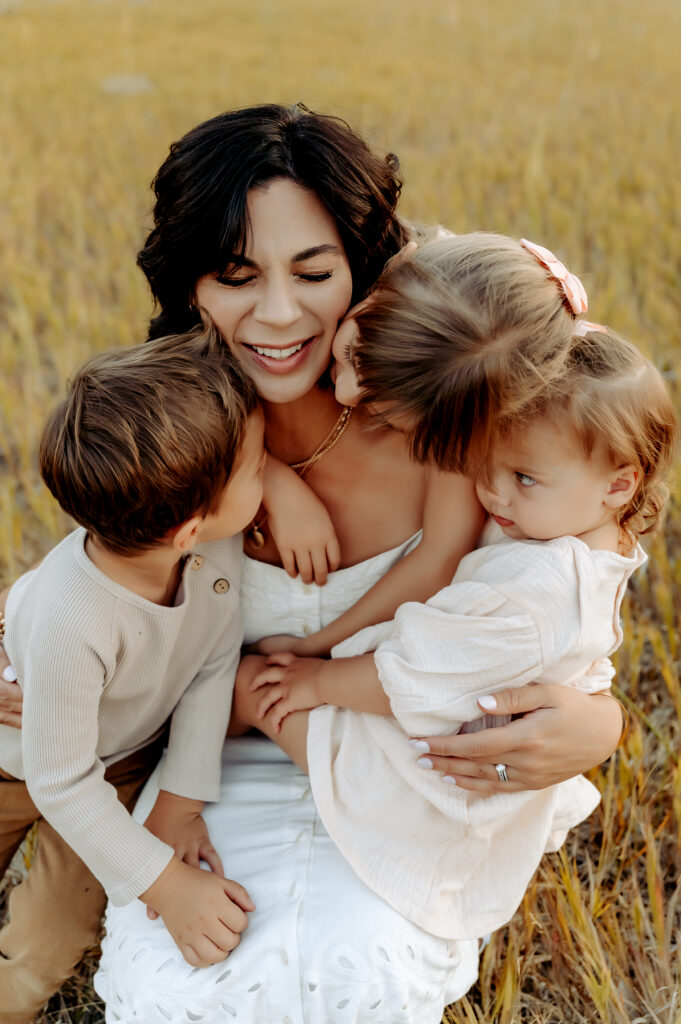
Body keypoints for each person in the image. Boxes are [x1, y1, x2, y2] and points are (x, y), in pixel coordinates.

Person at [0, 105, 625, 1023]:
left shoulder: (466, 428)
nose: (280, 314)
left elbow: (556, 610)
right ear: (191, 286)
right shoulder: (177, 444)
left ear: (373, 273)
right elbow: (95, 588)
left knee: (352, 985)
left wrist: (597, 726)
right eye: (235, 275)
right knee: (191, 995)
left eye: (315, 271)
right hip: (196, 777)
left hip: (387, 796)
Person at [233, 235, 677, 943]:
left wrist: (315, 669)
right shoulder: (443, 295)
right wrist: (267, 471)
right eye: (354, 361)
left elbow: (419, 661)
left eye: (380, 410)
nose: (347, 391)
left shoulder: (532, 409)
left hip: (421, 754)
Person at [0, 327, 263, 1023]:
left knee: (42, 949)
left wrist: (178, 800)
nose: (270, 478)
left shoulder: (213, 551)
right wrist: (168, 885)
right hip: (19, 757)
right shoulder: (72, 618)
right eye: (259, 470)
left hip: (109, 768)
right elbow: (58, 779)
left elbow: (211, 666)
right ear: (188, 528)